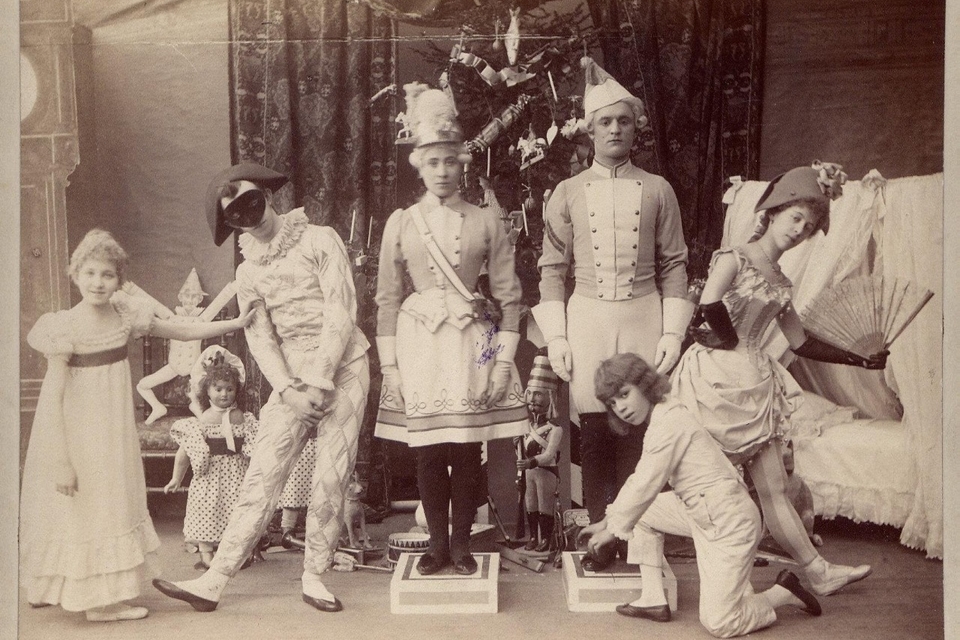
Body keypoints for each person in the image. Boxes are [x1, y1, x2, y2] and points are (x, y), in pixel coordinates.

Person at [153, 163, 370, 613]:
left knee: (331, 475)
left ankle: (314, 576)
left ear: (268, 197)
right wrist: (289, 391)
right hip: (291, 380)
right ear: (231, 223)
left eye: (253, 202)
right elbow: (261, 338)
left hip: (345, 366)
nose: (250, 215)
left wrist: (320, 381)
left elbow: (341, 311)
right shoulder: (249, 271)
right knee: (262, 474)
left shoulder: (320, 239)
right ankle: (213, 581)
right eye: (236, 213)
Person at [672, 161, 885, 595]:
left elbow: (801, 342)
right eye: (795, 218)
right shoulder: (734, 258)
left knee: (774, 487)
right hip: (712, 380)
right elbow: (709, 304)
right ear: (772, 213)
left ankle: (818, 572)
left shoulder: (782, 283)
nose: (800, 230)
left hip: (753, 381)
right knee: (701, 479)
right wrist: (731, 343)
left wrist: (859, 358)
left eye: (808, 226)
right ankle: (633, 540)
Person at [20, 229, 253, 622]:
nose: (98, 282)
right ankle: (95, 601)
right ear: (75, 274)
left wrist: (236, 322)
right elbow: (54, 398)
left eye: (107, 274)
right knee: (81, 506)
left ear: (119, 280)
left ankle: (92, 594)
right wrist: (61, 460)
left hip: (112, 429)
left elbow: (182, 329)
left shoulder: (125, 315)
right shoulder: (64, 327)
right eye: (90, 273)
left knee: (106, 502)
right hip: (79, 432)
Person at [533, 57, 693, 571]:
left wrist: (672, 331)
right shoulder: (567, 193)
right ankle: (602, 537)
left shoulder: (659, 189)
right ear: (590, 129)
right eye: (606, 121)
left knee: (639, 428)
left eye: (624, 120)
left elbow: (674, 263)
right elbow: (552, 268)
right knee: (597, 429)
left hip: (644, 312)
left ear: (635, 127)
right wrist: (557, 337)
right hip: (588, 316)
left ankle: (638, 539)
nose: (615, 129)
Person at [374, 83, 527, 576]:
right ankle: (435, 545)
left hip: (469, 342)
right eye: (432, 162)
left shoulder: (486, 221)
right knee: (426, 451)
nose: (441, 171)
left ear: (462, 163)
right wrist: (391, 368)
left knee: (465, 448)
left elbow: (508, 296)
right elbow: (387, 299)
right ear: (417, 165)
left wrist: (502, 363)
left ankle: (461, 545)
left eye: (449, 161)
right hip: (420, 343)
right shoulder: (401, 223)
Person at [579, 353, 822, 638]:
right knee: (644, 513)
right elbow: (638, 481)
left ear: (644, 385)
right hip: (703, 513)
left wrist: (613, 532)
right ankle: (653, 598)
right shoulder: (663, 415)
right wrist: (608, 521)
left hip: (730, 523)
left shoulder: (670, 421)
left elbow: (646, 482)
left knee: (720, 622)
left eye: (624, 394)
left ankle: (782, 592)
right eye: (612, 403)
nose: (620, 407)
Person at [164, 346, 259, 570]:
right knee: (206, 510)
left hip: (236, 474)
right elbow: (185, 452)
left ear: (236, 390)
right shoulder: (204, 419)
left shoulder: (244, 418)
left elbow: (255, 449)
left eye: (229, 389)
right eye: (218, 389)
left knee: (237, 511)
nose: (224, 394)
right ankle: (206, 553)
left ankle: (236, 552)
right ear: (207, 391)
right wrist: (176, 478)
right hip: (210, 476)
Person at [136, 269, 236, 424]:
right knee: (142, 385)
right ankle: (158, 407)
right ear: (180, 298)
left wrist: (234, 287)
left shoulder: (201, 320)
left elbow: (217, 304)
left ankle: (200, 413)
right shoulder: (171, 318)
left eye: (194, 297)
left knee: (202, 393)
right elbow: (153, 304)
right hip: (173, 366)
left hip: (195, 367)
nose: (190, 300)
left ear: (199, 300)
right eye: (187, 296)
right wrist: (132, 290)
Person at [515, 351, 563, 552]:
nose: (533, 398)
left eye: (538, 394)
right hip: (528, 474)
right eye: (531, 393)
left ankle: (546, 540)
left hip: (546, 473)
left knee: (544, 506)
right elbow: (521, 453)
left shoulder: (555, 429)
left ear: (550, 397)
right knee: (530, 505)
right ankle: (534, 537)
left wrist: (530, 462)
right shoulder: (525, 427)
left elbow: (549, 455)